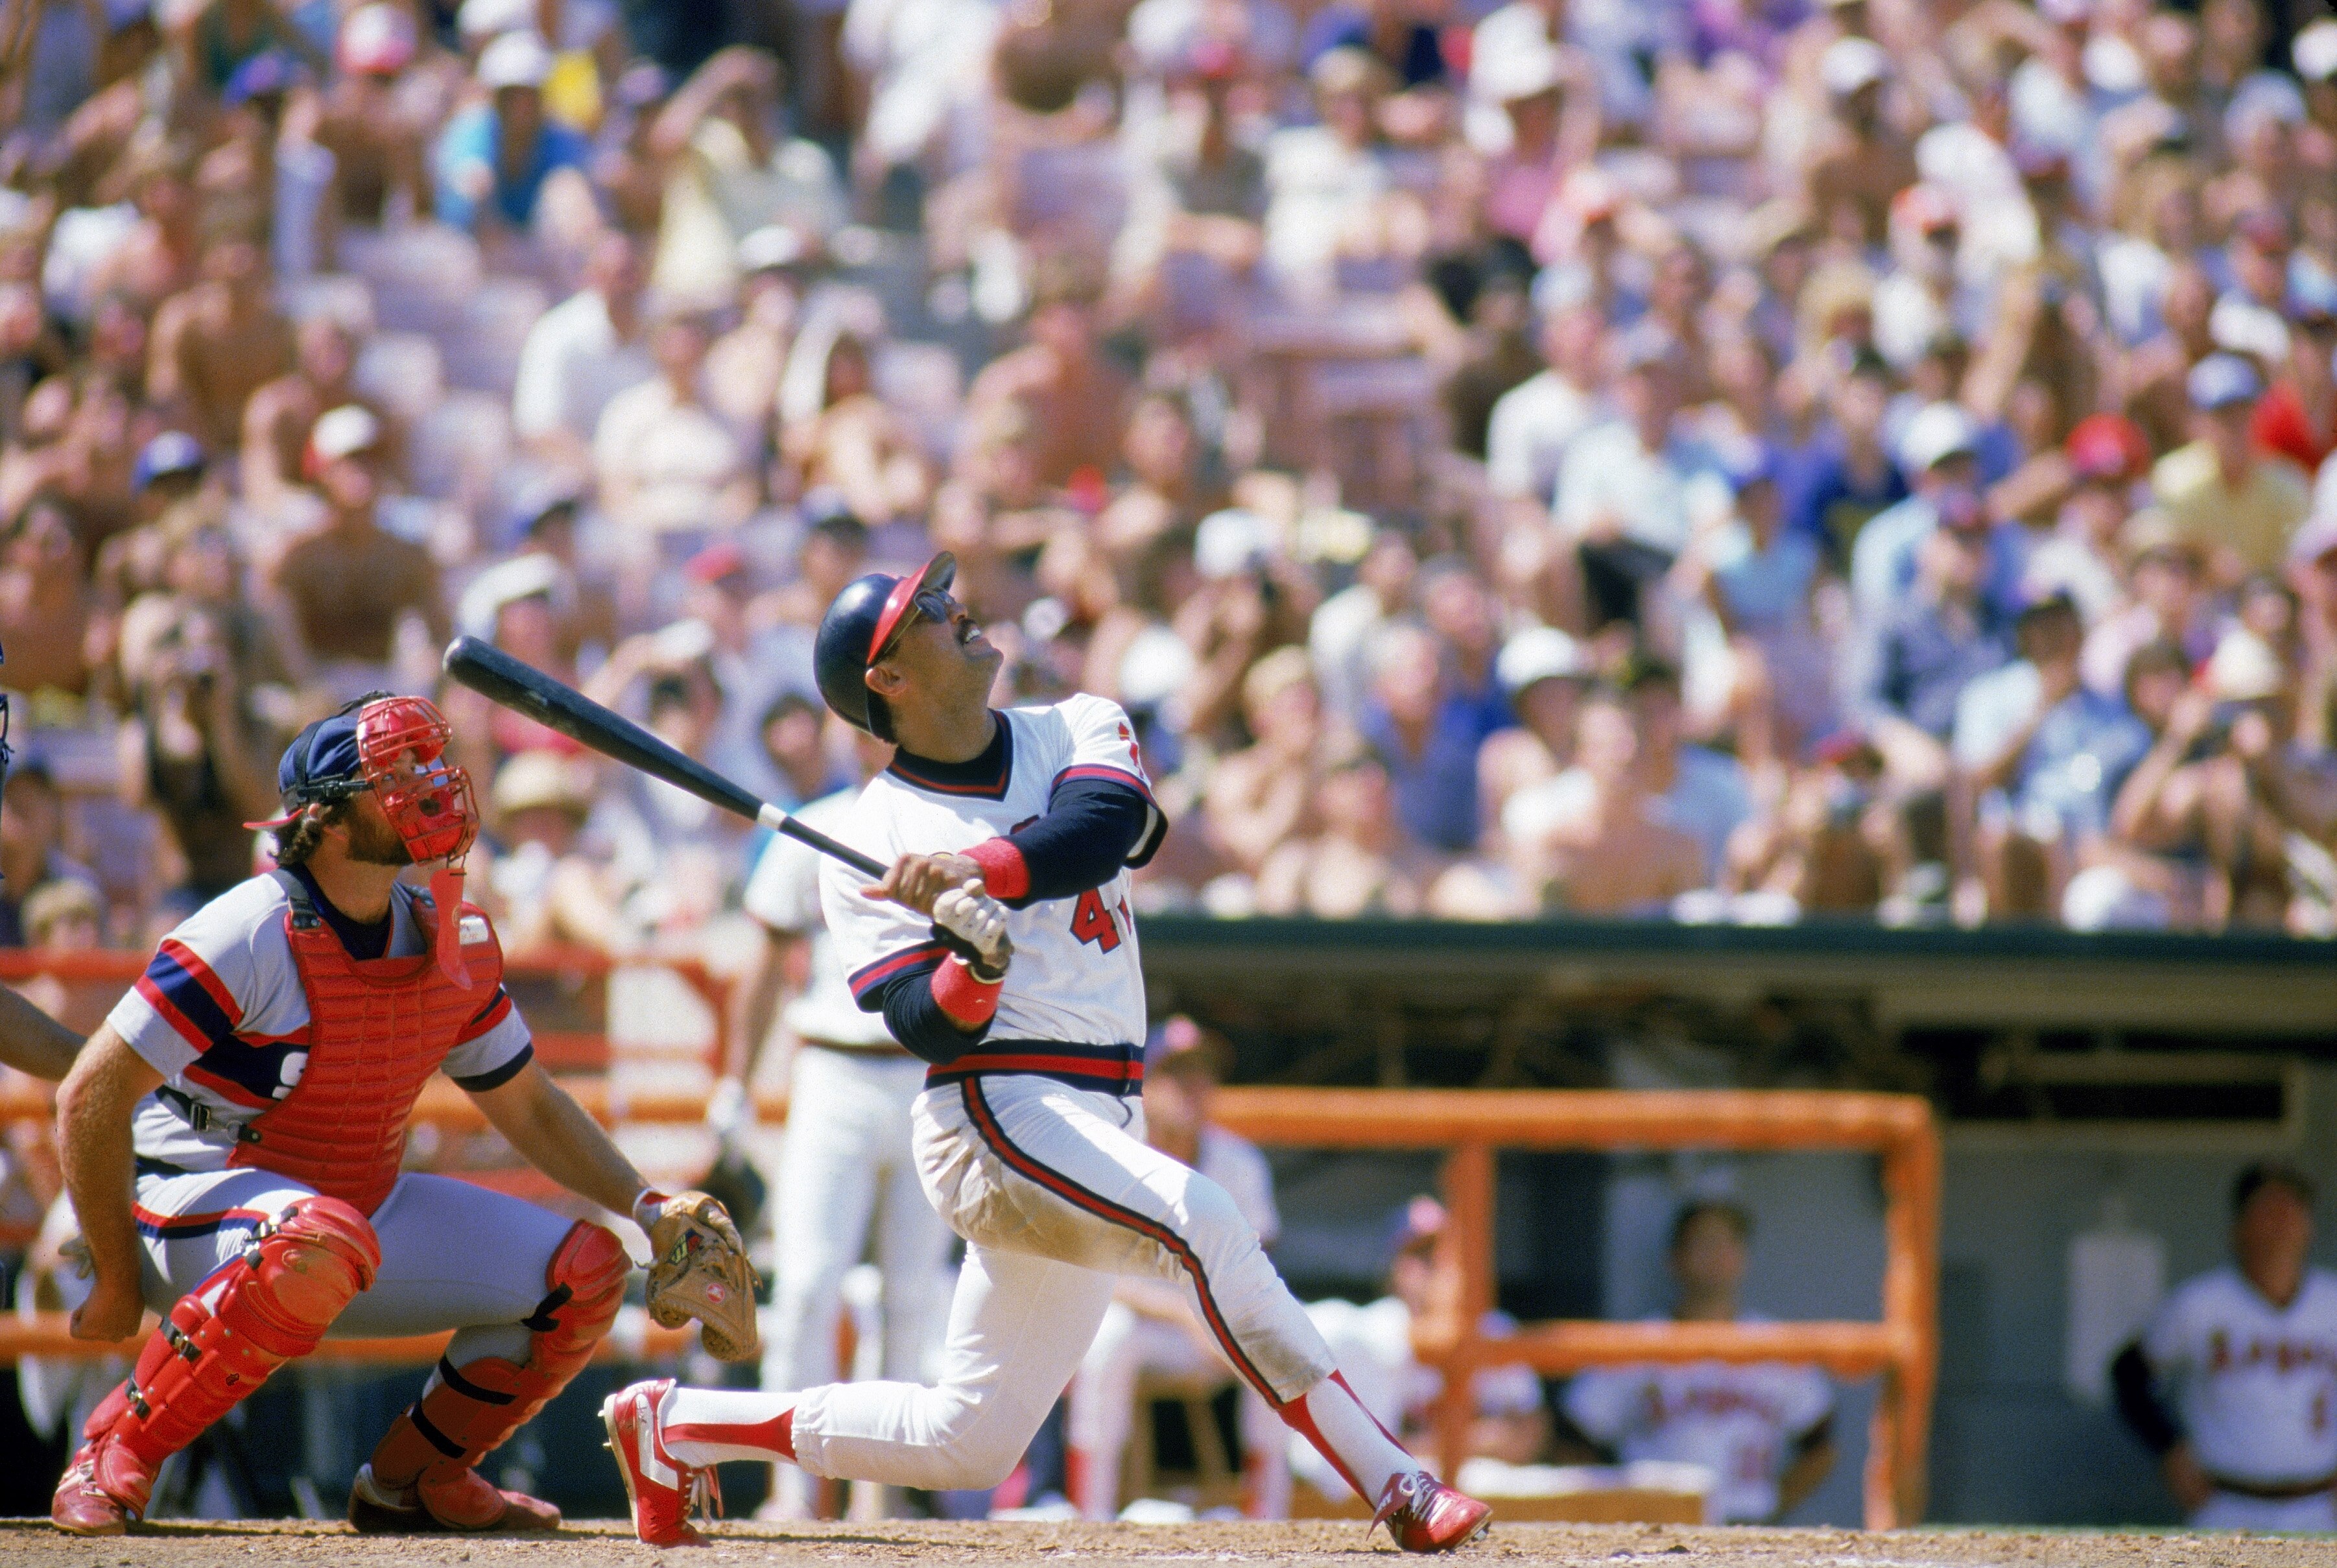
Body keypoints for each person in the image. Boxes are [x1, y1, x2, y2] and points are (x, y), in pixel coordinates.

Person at [601, 553, 1492, 1552]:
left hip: (1102, 1109)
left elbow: (1103, 829)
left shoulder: (1076, 723)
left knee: (967, 1442)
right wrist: (973, 963)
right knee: (1206, 1218)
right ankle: (1397, 1482)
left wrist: (978, 873)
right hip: (994, 1113)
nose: (961, 608)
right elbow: (917, 1020)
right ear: (886, 679)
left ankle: (675, 1426)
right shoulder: (871, 838)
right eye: (929, 612)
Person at [47, 695, 745, 1535]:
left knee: (585, 1270)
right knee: (317, 1236)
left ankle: (416, 1480)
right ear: (329, 820)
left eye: (429, 766)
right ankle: (110, 1453)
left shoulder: (449, 929)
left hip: (343, 1215)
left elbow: (529, 1103)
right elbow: (89, 1092)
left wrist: (645, 1205)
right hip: (186, 1203)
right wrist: (119, 1280)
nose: (434, 788)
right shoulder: (250, 926)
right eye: (397, 777)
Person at [723, 722, 956, 1519]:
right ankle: (793, 1488)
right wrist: (734, 1083)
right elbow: (762, 965)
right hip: (831, 1066)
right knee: (810, 1285)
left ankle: (882, 1492)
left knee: (913, 1296)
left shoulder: (955, 831)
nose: (877, 742)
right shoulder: (812, 826)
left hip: (929, 1074)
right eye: (861, 728)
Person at [1067, 1017, 1290, 1520]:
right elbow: (1093, 1268)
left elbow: (1259, 1267)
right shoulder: (1114, 1153)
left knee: (1280, 1336)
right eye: (1175, 1073)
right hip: (1145, 1326)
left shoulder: (1238, 1161)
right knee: (1107, 1339)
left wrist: (1220, 1320)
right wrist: (1184, 1315)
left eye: (1202, 1072)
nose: (1192, 1087)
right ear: (1142, 1084)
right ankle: (1090, 1515)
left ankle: (1268, 1517)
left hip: (1217, 1328)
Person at [1561, 1201, 1834, 1525]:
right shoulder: (1637, 1342)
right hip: (1658, 1526)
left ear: (1743, 1257)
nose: (1716, 1255)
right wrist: (1620, 1505)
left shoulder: (1775, 1344)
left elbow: (1821, 1446)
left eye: (1727, 1242)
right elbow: (1572, 1437)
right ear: (1673, 1259)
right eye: (1703, 1243)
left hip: (1747, 1523)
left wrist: (1776, 1507)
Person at [2112, 1163, 2337, 1532]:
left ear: (2309, 1227)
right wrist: (2170, 1451)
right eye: (2268, 1211)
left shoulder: (2332, 1301)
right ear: (2239, 1227)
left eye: (2293, 1211)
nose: (2282, 1225)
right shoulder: (2200, 1303)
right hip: (2228, 1504)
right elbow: (2127, 1375)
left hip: (2318, 1506)